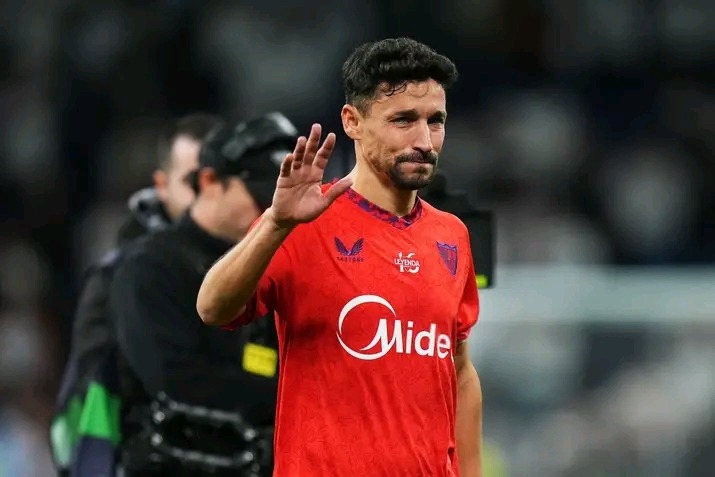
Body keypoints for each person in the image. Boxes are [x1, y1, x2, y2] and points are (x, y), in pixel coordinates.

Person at [197, 38, 483, 477]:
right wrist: (275, 223)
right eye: (403, 120)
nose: (425, 141)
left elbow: (459, 371)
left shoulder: (452, 235)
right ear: (353, 122)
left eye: (436, 121)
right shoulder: (302, 222)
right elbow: (212, 308)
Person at [108, 112, 299, 477]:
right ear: (210, 181)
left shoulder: (279, 269)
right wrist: (295, 396)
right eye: (261, 196)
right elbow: (177, 380)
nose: (272, 211)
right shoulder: (151, 267)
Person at [51, 113, 222, 477]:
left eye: (215, 180)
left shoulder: (260, 271)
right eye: (190, 181)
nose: (203, 194)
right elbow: (82, 408)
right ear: (162, 185)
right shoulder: (118, 278)